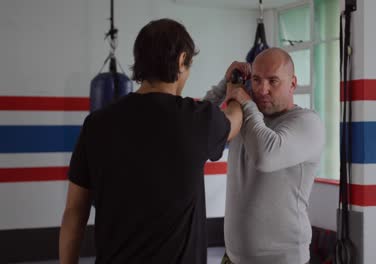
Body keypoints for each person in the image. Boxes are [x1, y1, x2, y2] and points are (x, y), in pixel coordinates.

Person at [59, 18, 243, 264]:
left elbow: (74, 212)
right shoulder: (197, 120)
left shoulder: (96, 124)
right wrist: (235, 90)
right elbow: (234, 120)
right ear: (181, 60)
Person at [204, 48, 325, 264]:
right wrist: (225, 87)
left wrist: (244, 101)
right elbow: (200, 127)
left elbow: (266, 156)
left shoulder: (307, 123)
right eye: (257, 80)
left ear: (293, 83)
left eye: (273, 81)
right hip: (232, 257)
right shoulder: (246, 117)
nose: (262, 89)